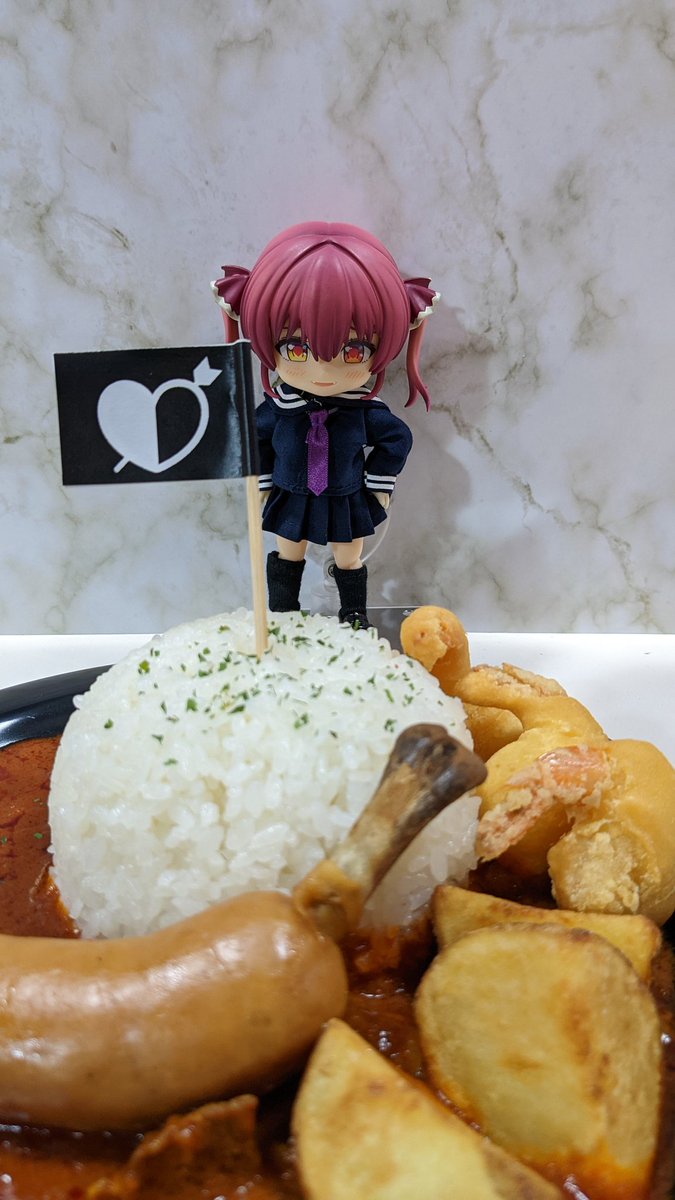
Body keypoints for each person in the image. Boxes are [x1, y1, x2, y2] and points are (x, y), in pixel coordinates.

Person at [212, 221, 437, 627]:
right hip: (291, 492)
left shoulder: (362, 412)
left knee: (349, 556)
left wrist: (378, 483)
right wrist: (263, 483)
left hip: (345, 495)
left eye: (353, 351)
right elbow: (254, 439)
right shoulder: (280, 408)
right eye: (296, 348)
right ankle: (283, 614)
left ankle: (353, 614)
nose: (321, 371)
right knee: (288, 550)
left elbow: (397, 439)